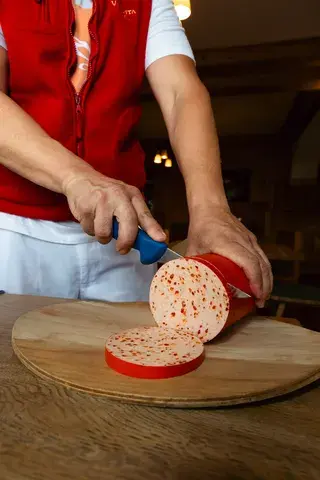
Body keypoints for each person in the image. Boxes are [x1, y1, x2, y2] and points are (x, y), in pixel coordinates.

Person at [0, 0, 272, 305]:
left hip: (128, 235)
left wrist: (211, 210)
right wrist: (75, 177)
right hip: (16, 233)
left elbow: (180, 92)